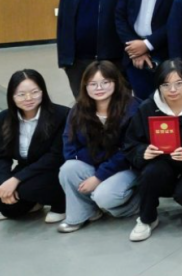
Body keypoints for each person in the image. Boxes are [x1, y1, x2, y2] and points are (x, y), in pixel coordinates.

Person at [123, 60, 182, 241]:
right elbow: (130, 143)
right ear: (158, 86)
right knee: (150, 173)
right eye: (165, 85)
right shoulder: (148, 107)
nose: (173, 90)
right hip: (162, 165)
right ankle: (147, 219)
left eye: (179, 83)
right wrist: (143, 151)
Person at [57, 61, 141, 233]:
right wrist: (99, 167)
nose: (99, 88)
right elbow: (69, 146)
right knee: (69, 168)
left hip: (126, 168)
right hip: (97, 165)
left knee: (104, 196)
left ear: (116, 82)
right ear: (85, 86)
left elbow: (127, 151)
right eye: (93, 84)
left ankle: (135, 204)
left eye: (105, 82)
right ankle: (82, 214)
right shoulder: (79, 109)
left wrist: (99, 176)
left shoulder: (132, 108)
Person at [0, 70, 69, 223]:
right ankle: (33, 204)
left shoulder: (61, 114)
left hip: (53, 170)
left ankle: (61, 203)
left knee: (26, 189)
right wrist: (3, 184)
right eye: (21, 94)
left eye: (34, 92)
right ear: (12, 96)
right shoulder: (4, 118)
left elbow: (56, 156)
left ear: (43, 91)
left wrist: (16, 180)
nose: (28, 98)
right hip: (27, 169)